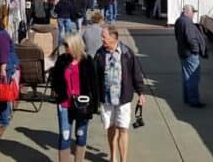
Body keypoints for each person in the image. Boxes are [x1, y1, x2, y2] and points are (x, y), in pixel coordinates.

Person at [94, 25, 145, 162]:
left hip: (123, 99)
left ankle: (123, 160)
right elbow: (95, 76)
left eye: (104, 37)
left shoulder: (127, 53)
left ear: (113, 38)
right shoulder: (100, 54)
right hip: (107, 99)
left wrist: (140, 92)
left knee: (123, 129)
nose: (102, 39)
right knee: (110, 128)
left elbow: (136, 73)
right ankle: (113, 157)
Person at [52, 33, 99, 162]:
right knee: (65, 135)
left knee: (81, 135)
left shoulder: (88, 61)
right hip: (65, 103)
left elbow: (94, 85)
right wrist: (56, 92)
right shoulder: (62, 60)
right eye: (65, 45)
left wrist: (94, 106)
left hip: (82, 105)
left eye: (67, 46)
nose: (65, 49)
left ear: (75, 45)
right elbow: (55, 79)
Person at [174, 5, 208, 108]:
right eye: (193, 12)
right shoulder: (187, 22)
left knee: (187, 76)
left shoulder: (179, 21)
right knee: (193, 77)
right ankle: (194, 100)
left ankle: (188, 98)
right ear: (187, 12)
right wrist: (196, 50)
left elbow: (178, 36)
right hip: (189, 53)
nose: (193, 14)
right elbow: (191, 38)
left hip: (183, 52)